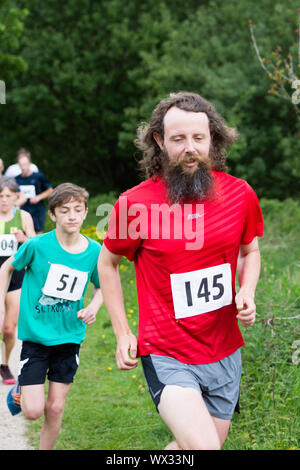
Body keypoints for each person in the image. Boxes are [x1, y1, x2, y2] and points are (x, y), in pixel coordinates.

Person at [99, 92, 264, 450]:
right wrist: (123, 332)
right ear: (159, 141)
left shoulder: (240, 194)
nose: (189, 148)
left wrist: (246, 290)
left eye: (198, 138)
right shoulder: (134, 204)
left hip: (225, 351)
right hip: (166, 351)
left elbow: (250, 250)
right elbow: (107, 263)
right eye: (178, 139)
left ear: (213, 139)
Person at [0, 183, 103, 450]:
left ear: (85, 213)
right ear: (53, 215)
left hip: (69, 336)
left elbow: (102, 288)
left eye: (77, 210)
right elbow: (6, 268)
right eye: (64, 210)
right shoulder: (36, 245)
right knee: (34, 411)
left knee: (56, 407)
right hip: (36, 337)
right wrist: (1, 303)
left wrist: (93, 307)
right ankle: (21, 389)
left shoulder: (94, 251)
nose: (71, 215)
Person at [0, 177, 35, 385]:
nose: (4, 200)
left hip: (16, 276)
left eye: (8, 196)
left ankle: (4, 364)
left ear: (16, 197)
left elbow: (34, 243)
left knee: (9, 329)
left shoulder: (23, 216)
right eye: (1, 196)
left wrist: (24, 239)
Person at [15, 152, 52, 233]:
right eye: (21, 165)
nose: (23, 167)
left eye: (25, 164)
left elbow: (50, 190)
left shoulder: (39, 177)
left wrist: (38, 197)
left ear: (30, 164)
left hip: (37, 212)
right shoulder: (16, 179)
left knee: (37, 235)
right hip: (22, 211)